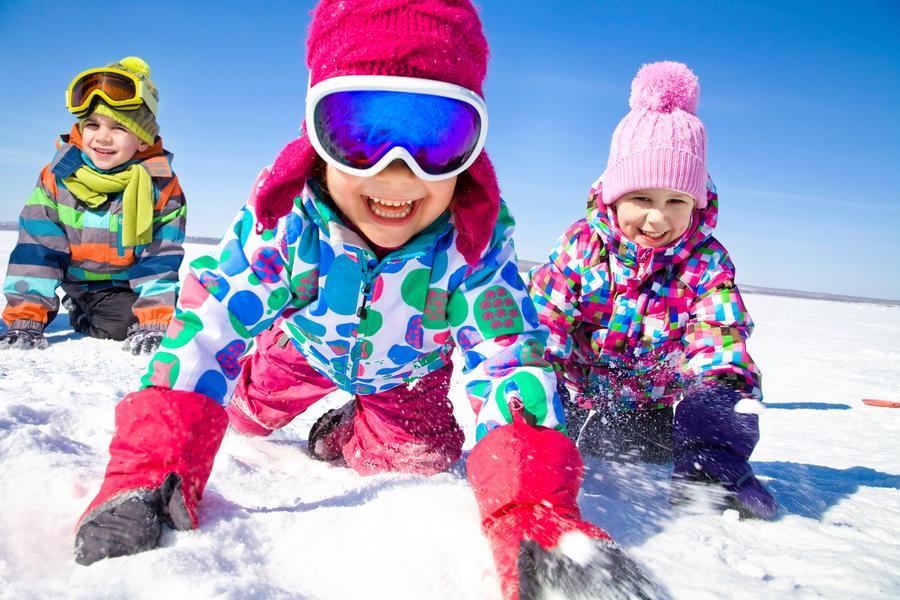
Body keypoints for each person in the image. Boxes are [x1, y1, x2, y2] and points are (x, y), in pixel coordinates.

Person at [73, 2, 655, 598]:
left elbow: (509, 359)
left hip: (407, 373)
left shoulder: (472, 247)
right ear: (316, 134)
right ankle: (264, 396)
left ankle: (352, 428)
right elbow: (209, 319)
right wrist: (150, 466)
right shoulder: (289, 224)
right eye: (359, 133)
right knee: (242, 418)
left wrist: (534, 509)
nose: (397, 173)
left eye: (436, 137)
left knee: (419, 457)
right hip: (299, 351)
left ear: (472, 149)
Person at [528, 61, 777, 520]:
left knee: (631, 466)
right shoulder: (581, 247)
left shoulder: (705, 264)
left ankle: (706, 466)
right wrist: (533, 413)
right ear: (614, 196)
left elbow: (720, 349)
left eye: (676, 201)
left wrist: (715, 447)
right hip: (567, 398)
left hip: (647, 411)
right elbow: (541, 327)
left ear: (696, 203)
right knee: (549, 447)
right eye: (642, 198)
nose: (658, 218)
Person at [0, 57, 186, 355]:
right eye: (92, 124)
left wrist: (154, 321)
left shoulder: (162, 186)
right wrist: (26, 319)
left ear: (142, 139)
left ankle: (100, 313)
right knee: (120, 319)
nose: (102, 137)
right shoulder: (58, 177)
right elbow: (37, 251)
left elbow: (159, 258)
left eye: (119, 127)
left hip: (127, 284)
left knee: (153, 320)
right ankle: (79, 304)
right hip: (82, 283)